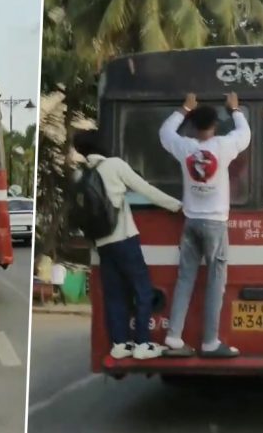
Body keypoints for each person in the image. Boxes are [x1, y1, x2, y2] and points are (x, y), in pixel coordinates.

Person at [73, 129, 182, 360]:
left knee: (114, 293)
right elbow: (146, 189)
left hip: (102, 243)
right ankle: (143, 342)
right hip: (124, 238)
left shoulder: (81, 174)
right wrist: (177, 205)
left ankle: (120, 343)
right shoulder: (114, 165)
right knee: (142, 289)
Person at [158, 92, 251, 358]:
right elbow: (245, 134)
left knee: (185, 278)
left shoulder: (185, 147)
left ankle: (174, 337)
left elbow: (165, 132)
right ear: (214, 125)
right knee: (215, 282)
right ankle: (210, 341)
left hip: (191, 222)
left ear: (194, 125)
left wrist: (184, 107)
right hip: (215, 225)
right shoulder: (223, 146)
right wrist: (235, 109)